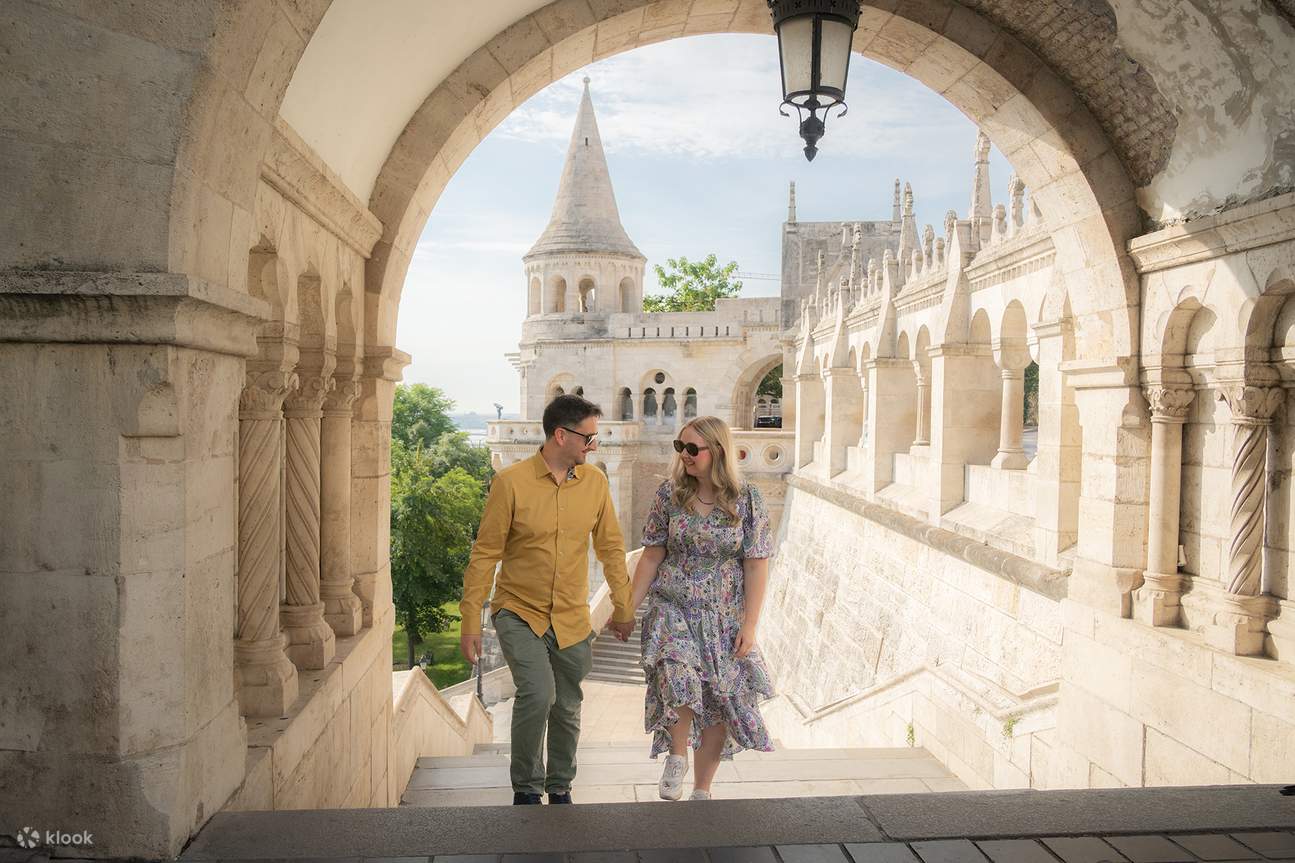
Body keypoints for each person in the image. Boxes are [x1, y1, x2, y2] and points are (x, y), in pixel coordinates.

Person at [460, 394, 636, 805]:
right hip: (519, 610)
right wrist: (470, 622)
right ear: (561, 435)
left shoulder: (595, 484)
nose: (594, 445)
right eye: (589, 438)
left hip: (572, 615)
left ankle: (559, 787)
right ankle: (525, 788)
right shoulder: (511, 483)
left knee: (568, 705)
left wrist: (624, 607)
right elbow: (485, 554)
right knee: (539, 693)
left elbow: (611, 549)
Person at [629, 415, 775, 801]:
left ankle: (701, 790)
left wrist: (750, 624)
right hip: (672, 606)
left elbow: (756, 564)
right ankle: (677, 756)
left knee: (717, 700)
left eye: (693, 448)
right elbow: (651, 556)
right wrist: (627, 609)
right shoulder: (669, 495)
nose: (685, 455)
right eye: (681, 447)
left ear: (718, 451)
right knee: (676, 671)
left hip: (723, 616)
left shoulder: (748, 499)